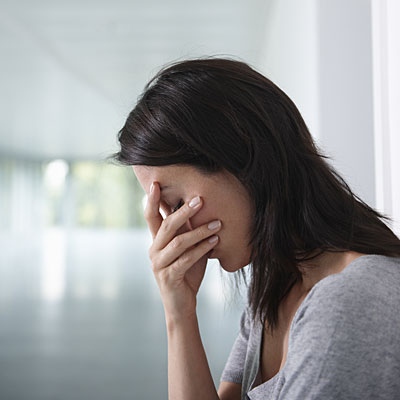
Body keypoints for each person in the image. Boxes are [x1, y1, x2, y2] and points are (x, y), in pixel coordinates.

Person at [109, 56, 400, 399]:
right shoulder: (274, 286)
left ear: (239, 157)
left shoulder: (349, 301)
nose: (174, 231)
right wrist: (179, 314)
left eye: (176, 204)